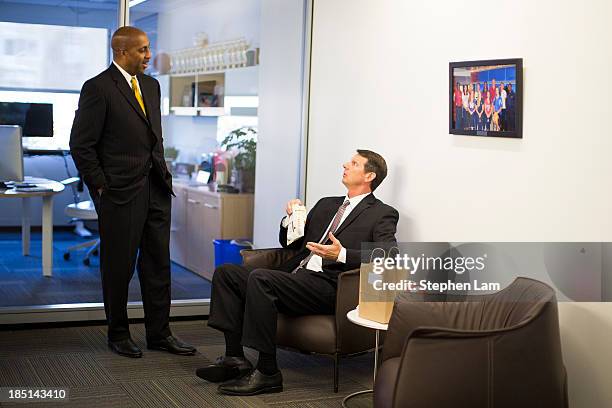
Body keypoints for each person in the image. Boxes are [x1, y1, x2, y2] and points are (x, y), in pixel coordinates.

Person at [196, 150, 399, 396]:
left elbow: (388, 255)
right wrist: (289, 220)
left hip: (330, 286)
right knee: (226, 273)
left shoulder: (381, 213)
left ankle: (268, 372)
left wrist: (341, 254)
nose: (345, 164)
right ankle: (234, 358)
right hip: (296, 276)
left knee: (261, 279)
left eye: (354, 163)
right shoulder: (327, 204)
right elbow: (293, 244)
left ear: (369, 175)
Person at [69, 26, 196, 358]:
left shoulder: (151, 86)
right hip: (119, 192)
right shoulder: (98, 88)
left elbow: (154, 137)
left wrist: (162, 172)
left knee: (158, 265)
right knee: (118, 267)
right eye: (142, 50)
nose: (149, 55)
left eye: (149, 48)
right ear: (121, 52)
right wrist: (101, 186)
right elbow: (81, 146)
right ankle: (118, 333)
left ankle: (160, 334)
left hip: (155, 187)